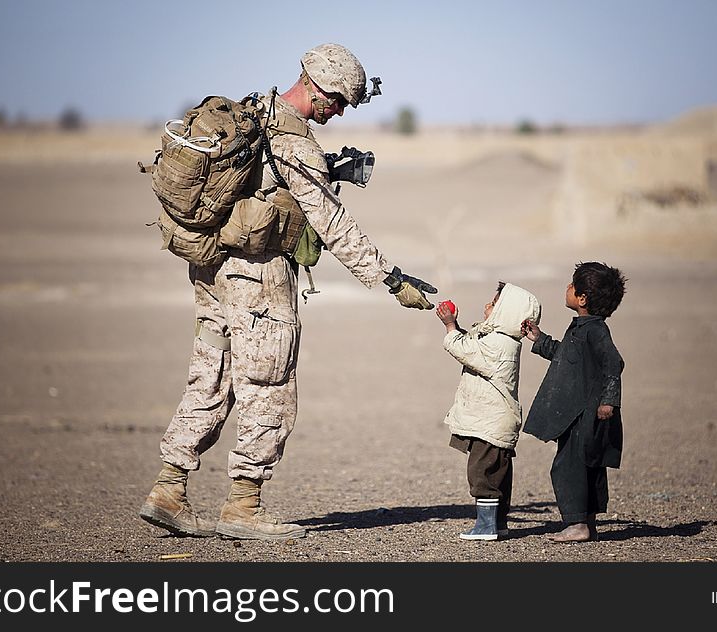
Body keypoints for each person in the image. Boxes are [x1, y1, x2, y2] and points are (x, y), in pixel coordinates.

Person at [139, 43, 437, 541]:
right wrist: (390, 278)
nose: (339, 112)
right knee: (269, 386)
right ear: (317, 87)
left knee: (210, 375)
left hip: (213, 270)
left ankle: (169, 489)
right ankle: (243, 506)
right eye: (338, 101)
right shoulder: (294, 142)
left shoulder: (256, 113)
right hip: (258, 278)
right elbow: (333, 223)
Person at [521, 262, 626, 543]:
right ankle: (586, 523)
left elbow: (613, 363)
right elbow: (566, 356)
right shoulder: (581, 327)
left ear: (582, 299)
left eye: (572, 285)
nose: (567, 288)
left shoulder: (595, 331)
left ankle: (577, 524)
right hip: (576, 413)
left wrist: (609, 401)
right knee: (584, 464)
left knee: (569, 466)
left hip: (586, 414)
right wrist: (539, 339)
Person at [436, 283, 541, 540]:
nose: (487, 306)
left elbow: (464, 349)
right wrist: (456, 326)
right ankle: (499, 524)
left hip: (491, 423)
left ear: (506, 313)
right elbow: (472, 344)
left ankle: (486, 527)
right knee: (498, 474)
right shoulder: (498, 339)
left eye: (493, 304)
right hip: (493, 421)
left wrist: (450, 326)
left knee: (482, 473)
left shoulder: (499, 344)